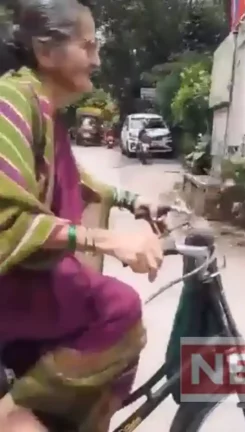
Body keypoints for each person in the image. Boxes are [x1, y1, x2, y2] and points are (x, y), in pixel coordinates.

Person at [0, 0, 165, 430]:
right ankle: (12, 408)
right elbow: (7, 214)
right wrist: (108, 240)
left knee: (116, 335)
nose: (95, 58)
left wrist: (134, 201)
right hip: (10, 283)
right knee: (118, 307)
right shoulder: (10, 102)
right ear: (46, 51)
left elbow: (80, 181)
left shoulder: (43, 108)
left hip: (26, 280)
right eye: (87, 45)